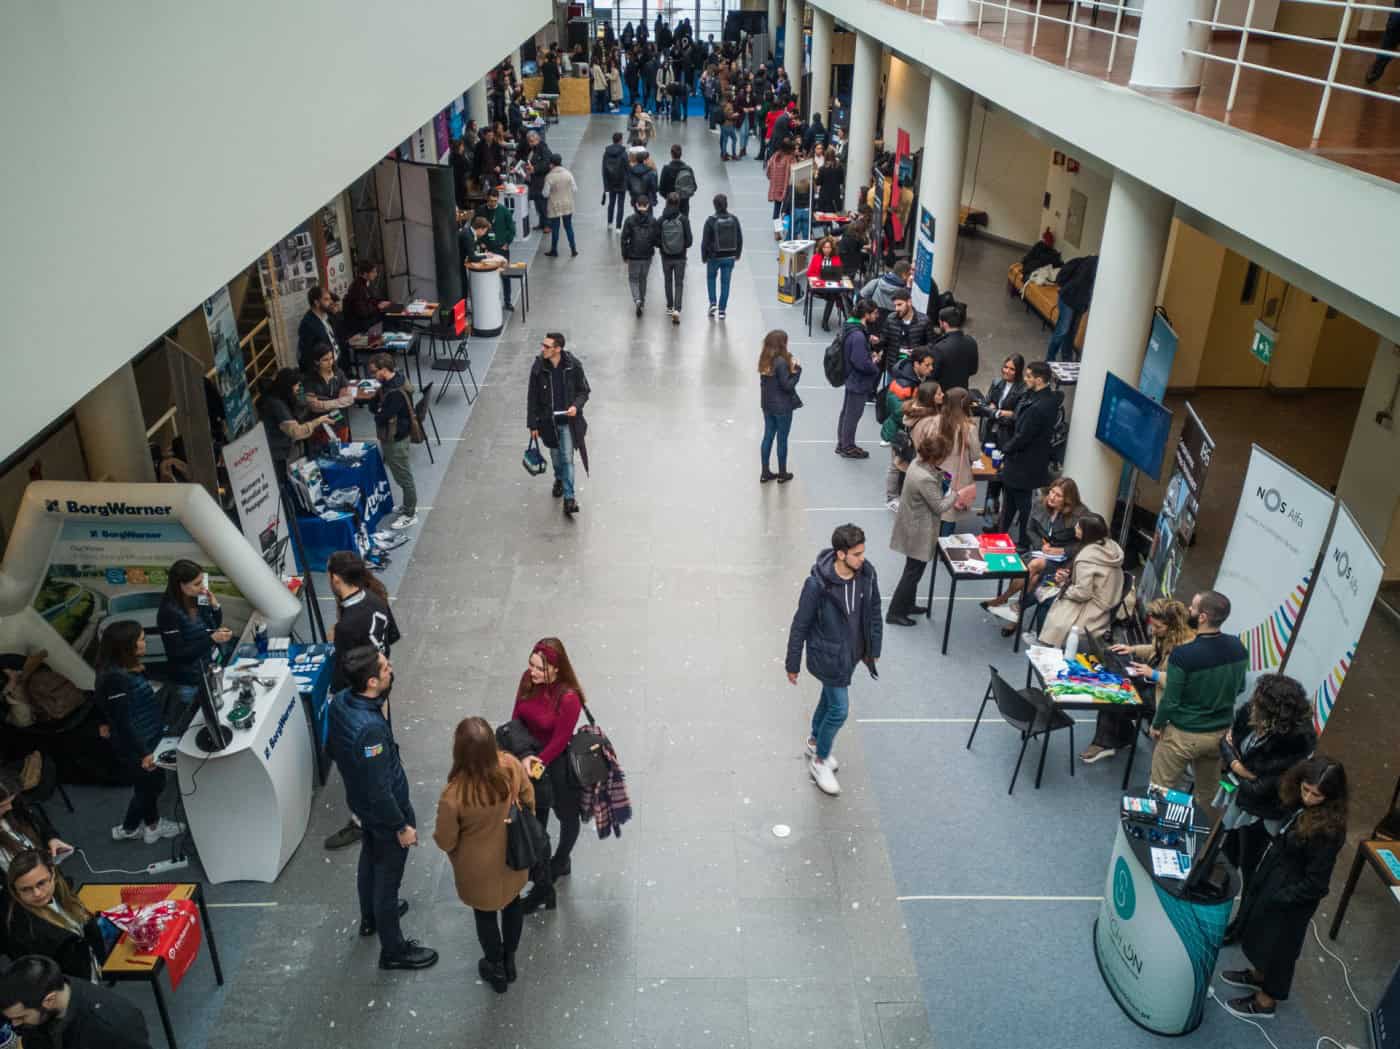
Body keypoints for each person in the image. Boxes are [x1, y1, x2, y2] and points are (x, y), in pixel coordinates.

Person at [327, 646, 438, 970]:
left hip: (361, 804)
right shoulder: (370, 730)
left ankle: (370, 917)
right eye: (386, 668)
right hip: (385, 812)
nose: (391, 669)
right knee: (389, 879)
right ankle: (393, 949)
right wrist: (401, 826)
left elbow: (332, 748)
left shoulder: (341, 704)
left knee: (370, 859)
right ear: (372, 681)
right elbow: (380, 788)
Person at [1222, 756, 1348, 1020]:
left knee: (1279, 948)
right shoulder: (1301, 804)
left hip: (1292, 894)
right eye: (1305, 789)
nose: (1309, 797)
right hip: (1277, 876)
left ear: (1331, 797)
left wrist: (1281, 897)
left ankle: (1265, 1002)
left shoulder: (1329, 829)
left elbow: (1317, 884)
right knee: (1262, 936)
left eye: (1317, 795)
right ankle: (1258, 976)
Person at [433, 717, 533, 994]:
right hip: (513, 858)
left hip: (477, 871)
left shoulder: (454, 794)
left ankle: (495, 965)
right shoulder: (511, 766)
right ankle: (510, 960)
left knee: (485, 916)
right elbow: (528, 797)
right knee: (513, 905)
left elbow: (445, 839)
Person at [785, 524, 883, 797]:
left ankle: (815, 741)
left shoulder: (866, 573)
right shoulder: (817, 584)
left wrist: (873, 646)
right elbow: (800, 624)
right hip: (828, 658)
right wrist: (792, 663)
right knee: (839, 709)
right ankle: (820, 761)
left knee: (828, 700)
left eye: (863, 552)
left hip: (851, 654)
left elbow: (874, 609)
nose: (862, 559)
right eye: (856, 554)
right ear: (841, 555)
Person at [322, 550, 401, 850]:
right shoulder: (376, 598)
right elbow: (389, 638)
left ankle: (363, 818)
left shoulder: (347, 626)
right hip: (381, 689)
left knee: (358, 760)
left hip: (360, 698)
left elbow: (344, 670)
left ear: (335, 579)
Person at [1215, 674, 1317, 896]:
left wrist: (1235, 762)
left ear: (1272, 714)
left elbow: (1259, 789)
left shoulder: (1292, 746)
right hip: (1240, 800)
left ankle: (1242, 920)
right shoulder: (1249, 716)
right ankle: (1219, 895)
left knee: (1250, 866)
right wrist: (1239, 767)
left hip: (1262, 814)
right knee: (1227, 853)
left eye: (1258, 702)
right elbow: (1225, 741)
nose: (1251, 704)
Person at [1148, 589, 1248, 806]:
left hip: (1183, 735)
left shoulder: (1183, 655)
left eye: (1193, 607)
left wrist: (1157, 725)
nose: (1189, 610)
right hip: (1219, 736)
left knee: (1160, 789)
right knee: (1207, 797)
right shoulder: (1239, 648)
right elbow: (1240, 688)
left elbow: (1171, 700)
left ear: (1202, 617)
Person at [511, 638, 585, 913]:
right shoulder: (527, 680)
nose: (532, 672)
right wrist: (522, 755)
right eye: (531, 665)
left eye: (539, 668)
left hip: (553, 764)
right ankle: (543, 878)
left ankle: (560, 860)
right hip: (529, 758)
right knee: (536, 824)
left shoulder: (568, 698)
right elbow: (516, 717)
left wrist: (535, 765)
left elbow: (559, 740)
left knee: (567, 816)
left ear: (555, 669)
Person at [94, 622, 182, 846]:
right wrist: (143, 753)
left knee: (150, 785)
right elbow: (123, 721)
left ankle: (130, 827)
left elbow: (107, 705)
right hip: (138, 743)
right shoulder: (115, 678)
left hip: (148, 733)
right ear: (127, 646)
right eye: (141, 639)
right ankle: (152, 827)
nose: (145, 642)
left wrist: (104, 721)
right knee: (148, 787)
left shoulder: (123, 670)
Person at [1081, 598, 1196, 763]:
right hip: (1150, 678)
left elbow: (1180, 682)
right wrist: (1131, 649)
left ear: (1174, 628)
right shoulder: (1167, 635)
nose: (1153, 630)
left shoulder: (1187, 648)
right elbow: (1154, 649)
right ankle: (1120, 737)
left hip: (1162, 694)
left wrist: (1153, 674)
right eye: (1152, 625)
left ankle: (1106, 743)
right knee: (1114, 662)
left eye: (1158, 627)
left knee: (1116, 693)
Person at [887, 433, 977, 627]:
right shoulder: (924, 478)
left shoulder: (917, 464)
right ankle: (895, 612)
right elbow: (939, 507)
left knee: (913, 570)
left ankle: (907, 604)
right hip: (919, 530)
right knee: (912, 573)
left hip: (912, 524)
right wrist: (957, 494)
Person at [983, 477, 1086, 631]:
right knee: (1034, 576)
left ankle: (1004, 600)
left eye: (1058, 495)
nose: (1051, 496)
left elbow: (1085, 544)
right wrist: (1041, 545)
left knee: (1034, 566)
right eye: (1051, 491)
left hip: (1063, 562)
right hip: (1040, 552)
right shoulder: (1039, 503)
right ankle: (1014, 614)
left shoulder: (1080, 515)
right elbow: (1029, 529)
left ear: (1068, 500)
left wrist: (1062, 550)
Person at [0, 955, 151, 1049]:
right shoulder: (49, 990)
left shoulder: (115, 1027)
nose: (15, 1024)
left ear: (49, 1000)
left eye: (21, 1017)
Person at [3, 852, 99, 980]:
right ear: (15, 891)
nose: (37, 893)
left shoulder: (60, 890)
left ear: (53, 873)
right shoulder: (28, 934)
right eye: (26, 889)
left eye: (41, 883)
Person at [1034, 513, 1124, 646]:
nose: (1075, 527)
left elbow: (1082, 593)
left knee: (1045, 600)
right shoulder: (1111, 547)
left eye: (1079, 527)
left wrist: (1063, 585)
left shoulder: (1086, 558)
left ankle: (1044, 644)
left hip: (1091, 608)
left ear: (1088, 533)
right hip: (1107, 603)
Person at [526, 332, 590, 517]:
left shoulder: (573, 365)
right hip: (548, 423)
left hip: (568, 423)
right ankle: (559, 478)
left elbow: (584, 391)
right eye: (543, 345)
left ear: (557, 349)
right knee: (556, 457)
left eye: (547, 347)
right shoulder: (538, 368)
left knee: (567, 458)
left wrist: (575, 407)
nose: (543, 349)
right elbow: (532, 398)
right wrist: (533, 425)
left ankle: (569, 498)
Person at [997, 361, 1059, 550]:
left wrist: (1005, 449)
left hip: (1022, 464)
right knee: (1015, 502)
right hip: (1030, 463)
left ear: (1039, 380)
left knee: (1019, 504)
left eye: (1029, 376)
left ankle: (1023, 540)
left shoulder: (1037, 408)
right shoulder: (1047, 398)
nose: (1025, 379)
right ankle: (1004, 532)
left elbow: (1022, 436)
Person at [157, 558, 232, 709]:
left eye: (202, 581)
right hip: (190, 682)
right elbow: (178, 655)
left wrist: (215, 606)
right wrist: (212, 639)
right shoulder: (168, 612)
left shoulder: (196, 599)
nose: (202, 587)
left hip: (208, 670)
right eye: (197, 584)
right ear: (181, 585)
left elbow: (213, 626)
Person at [366, 352, 419, 531]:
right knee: (401, 475)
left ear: (384, 370)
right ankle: (407, 506)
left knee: (404, 477)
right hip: (395, 436)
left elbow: (380, 416)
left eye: (374, 372)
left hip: (396, 438)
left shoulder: (393, 392)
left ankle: (410, 514)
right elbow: (374, 407)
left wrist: (379, 410)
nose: (373, 376)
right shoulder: (394, 382)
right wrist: (379, 408)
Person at [973, 354, 1026, 519]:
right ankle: (990, 505)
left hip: (1007, 435)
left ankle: (1001, 511)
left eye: (1012, 369)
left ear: (1018, 371)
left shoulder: (1022, 389)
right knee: (990, 469)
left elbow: (1017, 416)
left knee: (1002, 471)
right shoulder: (997, 383)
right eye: (1006, 367)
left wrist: (995, 411)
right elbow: (985, 406)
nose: (1007, 371)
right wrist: (1000, 413)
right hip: (991, 433)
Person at [260, 368, 334, 480]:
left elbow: (301, 405)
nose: (298, 388)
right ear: (287, 386)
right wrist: (319, 420)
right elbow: (296, 432)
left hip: (284, 449)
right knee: (284, 481)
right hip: (279, 454)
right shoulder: (277, 405)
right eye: (296, 385)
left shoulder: (282, 397)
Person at [836, 300, 883, 459]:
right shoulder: (858, 336)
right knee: (853, 415)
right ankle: (848, 447)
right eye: (875, 313)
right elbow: (860, 362)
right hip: (859, 381)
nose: (877, 316)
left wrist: (868, 338)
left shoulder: (851, 326)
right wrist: (874, 364)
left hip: (850, 377)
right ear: (866, 315)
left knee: (846, 412)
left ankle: (842, 443)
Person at [886, 376, 942, 509]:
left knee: (896, 468)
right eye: (939, 393)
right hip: (917, 452)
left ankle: (892, 497)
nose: (943, 395)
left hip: (904, 444)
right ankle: (894, 498)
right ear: (930, 397)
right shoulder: (930, 419)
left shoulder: (912, 409)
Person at [0, 775, 70, 873]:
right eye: (2, 806)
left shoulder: (15, 807)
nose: (9, 807)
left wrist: (51, 838)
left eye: (10, 801)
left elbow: (39, 825)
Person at [759, 329, 803, 484]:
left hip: (767, 405)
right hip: (782, 407)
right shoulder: (781, 362)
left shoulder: (764, 359)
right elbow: (787, 386)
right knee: (782, 440)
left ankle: (765, 472)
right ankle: (782, 473)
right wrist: (797, 371)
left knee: (768, 436)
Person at [934, 387, 979, 536]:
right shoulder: (968, 428)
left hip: (936, 471)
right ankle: (944, 544)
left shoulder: (937, 421)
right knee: (949, 514)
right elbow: (975, 455)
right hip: (956, 476)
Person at [301, 342, 357, 445]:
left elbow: (349, 398)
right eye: (325, 360)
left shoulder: (338, 373)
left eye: (331, 358)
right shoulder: (309, 379)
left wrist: (324, 401)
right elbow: (313, 406)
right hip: (320, 425)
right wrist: (339, 401)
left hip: (340, 421)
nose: (330, 362)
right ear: (316, 362)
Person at [1047, 254, 1098, 362]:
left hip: (1079, 303)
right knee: (1063, 330)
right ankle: (1049, 359)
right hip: (1068, 299)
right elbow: (1080, 283)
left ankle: (1066, 360)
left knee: (1071, 333)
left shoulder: (1097, 265)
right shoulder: (1093, 263)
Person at [701, 193, 743, 319]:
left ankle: (712, 303)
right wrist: (737, 254)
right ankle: (722, 310)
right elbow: (739, 238)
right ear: (726, 204)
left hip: (714, 257)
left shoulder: (710, 221)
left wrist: (704, 256)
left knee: (711, 279)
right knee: (725, 283)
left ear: (714, 206)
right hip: (729, 256)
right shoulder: (734, 219)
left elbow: (705, 241)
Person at [621, 196, 660, 316]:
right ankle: (642, 302)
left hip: (633, 255)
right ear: (648, 206)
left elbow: (624, 239)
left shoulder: (629, 220)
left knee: (633, 279)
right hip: (647, 255)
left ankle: (637, 299)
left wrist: (625, 255)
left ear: (636, 205)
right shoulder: (653, 221)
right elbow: (656, 239)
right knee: (643, 279)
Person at [657, 192, 693, 323]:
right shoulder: (683, 219)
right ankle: (677, 309)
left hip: (666, 256)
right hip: (680, 257)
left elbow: (656, 240)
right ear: (678, 203)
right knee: (679, 283)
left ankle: (669, 306)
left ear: (667, 203)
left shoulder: (661, 220)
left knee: (668, 281)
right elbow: (689, 241)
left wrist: (663, 246)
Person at [479, 188, 516, 310]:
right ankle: (489, 302)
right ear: (487, 199)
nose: (492, 203)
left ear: (498, 199)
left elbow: (512, 228)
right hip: (487, 249)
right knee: (487, 276)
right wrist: (480, 243)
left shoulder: (504, 211)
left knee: (505, 275)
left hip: (502, 248)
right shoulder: (481, 210)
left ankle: (507, 301)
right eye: (490, 201)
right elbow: (475, 227)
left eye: (494, 201)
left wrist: (507, 243)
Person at [931, 305, 978, 393]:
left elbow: (933, 375)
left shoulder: (939, 347)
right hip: (962, 393)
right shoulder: (971, 341)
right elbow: (973, 370)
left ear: (944, 323)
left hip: (943, 394)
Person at [879, 287, 930, 364]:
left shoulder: (924, 320)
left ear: (909, 302)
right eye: (895, 305)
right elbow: (884, 341)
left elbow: (931, 345)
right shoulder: (890, 318)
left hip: (913, 367)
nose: (896, 309)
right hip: (892, 366)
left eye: (899, 304)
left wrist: (918, 351)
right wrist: (876, 343)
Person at [542, 154, 579, 258]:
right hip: (567, 204)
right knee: (568, 227)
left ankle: (554, 250)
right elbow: (575, 189)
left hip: (554, 206)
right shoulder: (568, 174)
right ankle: (573, 249)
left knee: (556, 228)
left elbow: (545, 193)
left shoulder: (549, 177)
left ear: (551, 164)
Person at [807, 236, 847, 331]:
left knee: (834, 295)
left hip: (832, 287)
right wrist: (818, 279)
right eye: (824, 247)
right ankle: (847, 319)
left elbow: (839, 273)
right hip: (819, 287)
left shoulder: (836, 258)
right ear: (821, 248)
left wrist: (839, 279)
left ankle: (825, 321)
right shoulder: (816, 257)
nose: (826, 249)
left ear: (832, 248)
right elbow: (810, 273)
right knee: (837, 296)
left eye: (828, 247)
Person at [297, 285, 341, 370]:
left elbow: (336, 334)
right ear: (317, 303)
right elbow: (307, 354)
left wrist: (337, 314)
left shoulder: (327, 315)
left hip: (334, 363)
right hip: (322, 369)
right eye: (326, 299)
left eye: (330, 298)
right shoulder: (308, 324)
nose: (331, 302)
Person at [343, 260, 389, 337]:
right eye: (373, 272)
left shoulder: (363, 284)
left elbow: (371, 299)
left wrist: (381, 302)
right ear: (365, 274)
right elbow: (362, 312)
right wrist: (378, 307)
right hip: (361, 324)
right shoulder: (357, 288)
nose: (376, 274)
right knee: (389, 320)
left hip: (366, 320)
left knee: (389, 315)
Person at [657, 144, 697, 215]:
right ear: (681, 154)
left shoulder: (666, 169)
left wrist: (668, 197)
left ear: (671, 154)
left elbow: (661, 189)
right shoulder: (688, 169)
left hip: (670, 203)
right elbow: (694, 187)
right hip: (684, 204)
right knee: (684, 223)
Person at [601, 131, 629, 230]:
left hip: (610, 182)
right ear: (621, 140)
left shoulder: (606, 153)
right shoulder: (624, 153)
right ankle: (618, 227)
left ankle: (609, 223)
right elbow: (627, 169)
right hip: (621, 183)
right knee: (620, 205)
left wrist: (605, 186)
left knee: (611, 203)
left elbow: (604, 169)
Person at [766, 138, 796, 220]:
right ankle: (785, 227)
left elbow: (768, 170)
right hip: (788, 187)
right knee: (787, 209)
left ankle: (777, 229)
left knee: (777, 208)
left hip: (776, 186)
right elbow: (795, 172)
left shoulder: (775, 156)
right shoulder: (791, 159)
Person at [815, 146, 844, 213]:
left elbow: (818, 182)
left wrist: (816, 176)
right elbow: (841, 181)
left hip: (824, 197)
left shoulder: (822, 169)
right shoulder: (839, 168)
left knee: (824, 218)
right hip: (835, 196)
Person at [449, 137, 472, 208]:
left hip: (455, 182)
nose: (463, 147)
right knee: (462, 201)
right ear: (459, 147)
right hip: (461, 182)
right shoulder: (460, 157)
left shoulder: (451, 156)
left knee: (459, 201)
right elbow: (468, 166)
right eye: (462, 146)